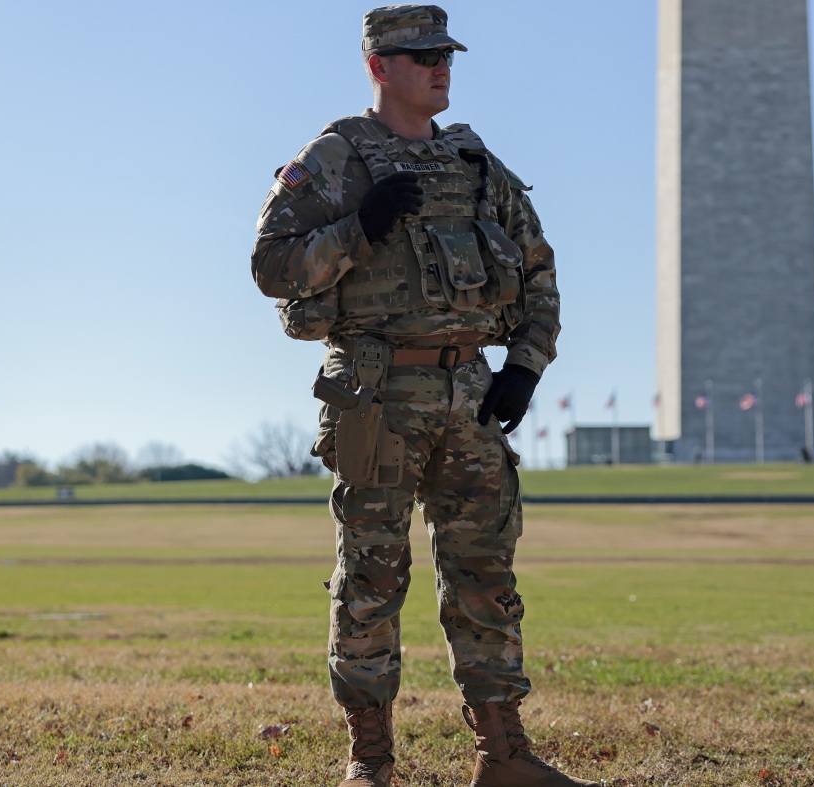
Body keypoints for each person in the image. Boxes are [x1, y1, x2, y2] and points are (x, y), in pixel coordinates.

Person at [252, 6, 594, 786]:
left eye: (446, 53)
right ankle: (370, 761)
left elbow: (539, 268)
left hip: (469, 392)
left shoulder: (474, 161)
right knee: (372, 574)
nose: (440, 67)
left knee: (486, 574)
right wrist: (358, 229)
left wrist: (526, 367)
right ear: (379, 66)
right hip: (375, 394)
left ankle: (504, 756)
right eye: (421, 55)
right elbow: (271, 268)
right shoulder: (335, 156)